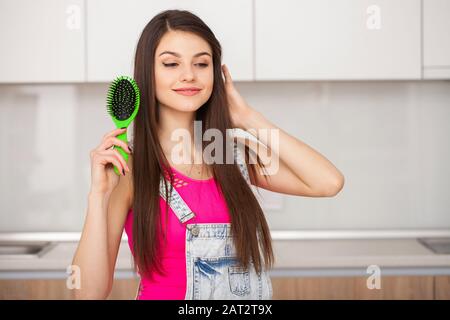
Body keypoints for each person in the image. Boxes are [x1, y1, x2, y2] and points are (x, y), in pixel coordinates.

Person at [72, 9, 345, 300]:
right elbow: (88, 295)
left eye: (201, 63)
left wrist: (248, 117)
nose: (189, 75)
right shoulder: (129, 170)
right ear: (147, 73)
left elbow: (328, 182)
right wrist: (98, 197)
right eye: (171, 63)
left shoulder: (232, 156)